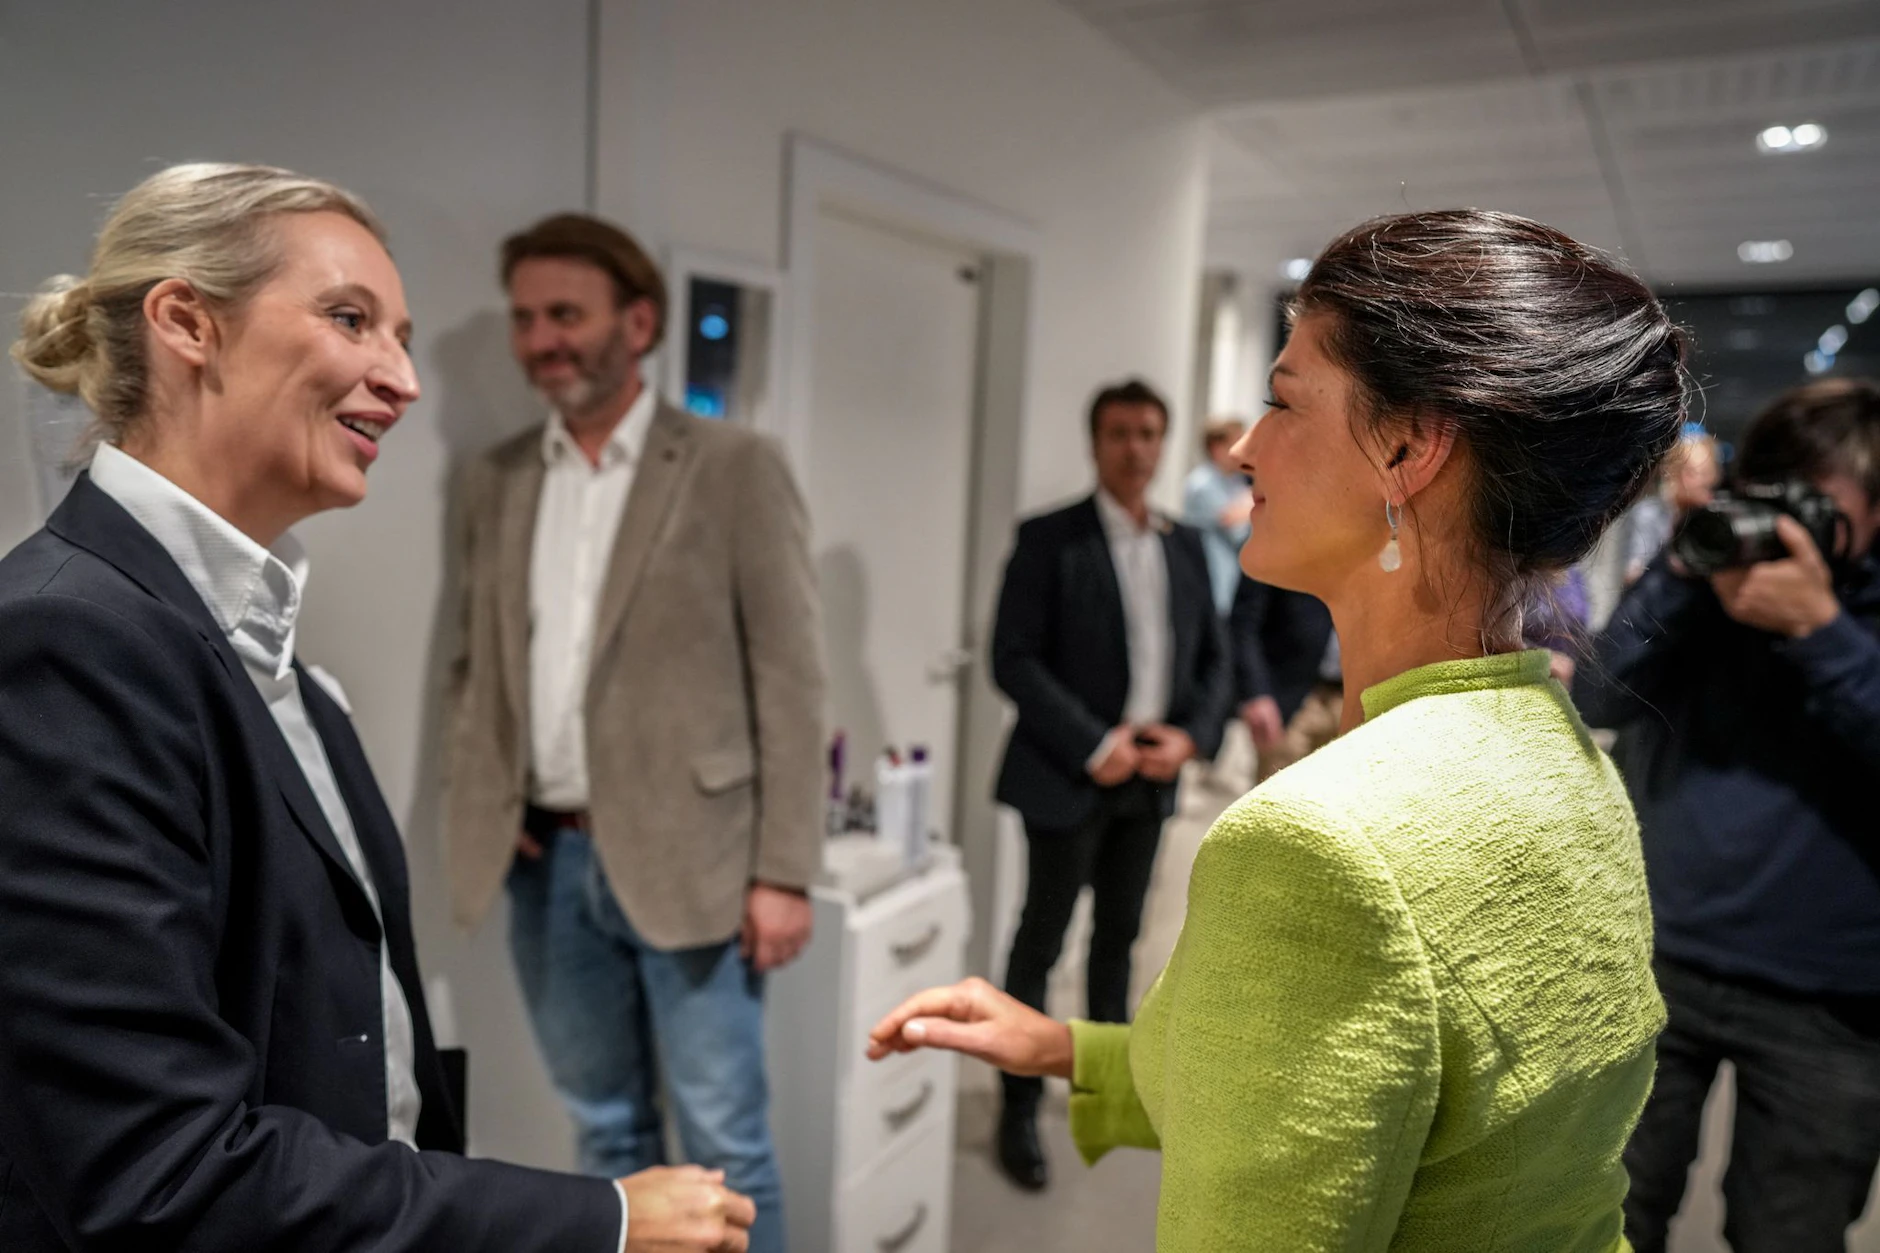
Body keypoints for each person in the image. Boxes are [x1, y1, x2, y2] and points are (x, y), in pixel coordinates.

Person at [870, 209, 1687, 1250]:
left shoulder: (1318, 846)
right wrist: (1071, 1047)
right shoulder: (1567, 756)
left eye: (1282, 401)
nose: (1246, 446)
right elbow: (1385, 1094)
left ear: (1405, 445)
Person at [0, 163, 752, 1252]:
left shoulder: (267, 651)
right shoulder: (67, 642)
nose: (399, 379)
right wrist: (602, 1216)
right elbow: (155, 1172)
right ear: (185, 322)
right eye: (351, 319)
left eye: (399, 334)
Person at [440, 213, 823, 1253]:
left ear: (638, 321)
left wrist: (783, 867)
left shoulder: (734, 463)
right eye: (525, 319)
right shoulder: (497, 475)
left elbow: (788, 677)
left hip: (695, 859)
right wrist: (493, 792)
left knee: (724, 1143)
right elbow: (472, 662)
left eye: (565, 312)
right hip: (545, 863)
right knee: (605, 1136)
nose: (540, 340)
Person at [1578, 379, 1880, 1253]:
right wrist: (1682, 571)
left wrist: (1823, 631)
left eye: (1815, 500)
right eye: (1771, 491)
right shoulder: (1710, 581)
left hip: (1834, 998)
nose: (1784, 520)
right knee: (1609, 1214)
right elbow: (1600, 692)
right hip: (1660, 957)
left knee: (1789, 1231)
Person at [985, 377, 1230, 1191]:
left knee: (1119, 940)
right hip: (1068, 775)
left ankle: (1103, 1093)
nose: (1136, 448)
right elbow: (1011, 658)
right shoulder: (1049, 538)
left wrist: (1188, 735)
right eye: (1120, 433)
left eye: (1150, 433)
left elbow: (1212, 660)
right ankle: (1016, 1111)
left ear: (1164, 443)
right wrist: (1096, 743)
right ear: (1096, 443)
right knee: (1042, 938)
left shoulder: (1185, 543)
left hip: (1150, 781)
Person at [1227, 573, 1338, 782]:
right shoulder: (1279, 543)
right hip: (1293, 698)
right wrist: (1256, 692)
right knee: (1277, 806)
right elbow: (1243, 625)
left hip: (1356, 697)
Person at [1622, 426, 1720, 585]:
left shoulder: (1714, 515)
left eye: (1708, 473)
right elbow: (1633, 572)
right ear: (1674, 473)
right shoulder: (1649, 514)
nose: (1704, 481)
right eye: (1695, 473)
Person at [1182, 417, 1253, 617]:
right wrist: (1253, 504)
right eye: (1236, 443)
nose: (1243, 451)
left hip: (1229, 586)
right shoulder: (1202, 485)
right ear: (1216, 447)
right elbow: (1233, 523)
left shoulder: (1235, 482)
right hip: (1208, 586)